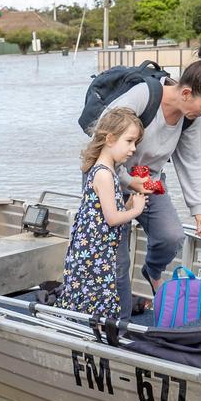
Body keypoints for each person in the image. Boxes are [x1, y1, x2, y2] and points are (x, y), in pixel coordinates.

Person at [102, 41, 201, 317]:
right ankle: (121, 325)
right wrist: (125, 180)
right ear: (186, 92)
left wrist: (199, 208)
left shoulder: (190, 118)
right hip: (111, 180)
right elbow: (102, 140)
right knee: (119, 261)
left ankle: (152, 270)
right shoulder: (142, 97)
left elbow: (191, 161)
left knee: (171, 236)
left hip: (149, 182)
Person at [54, 107, 147, 318]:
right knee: (98, 294)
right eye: (129, 141)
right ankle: (100, 333)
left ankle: (96, 329)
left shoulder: (104, 170)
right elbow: (112, 218)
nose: (133, 149)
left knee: (94, 293)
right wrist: (137, 211)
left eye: (135, 143)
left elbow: (106, 211)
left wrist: (130, 203)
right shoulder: (104, 174)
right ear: (111, 139)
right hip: (96, 253)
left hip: (95, 249)